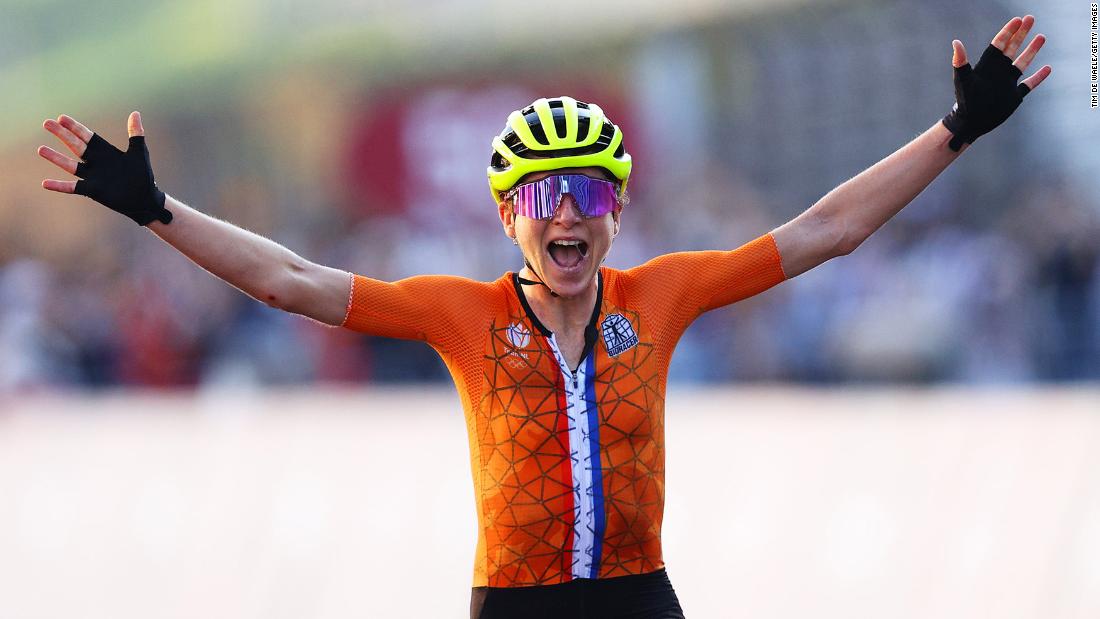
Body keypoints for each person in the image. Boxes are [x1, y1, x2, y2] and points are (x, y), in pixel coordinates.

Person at [36, 15, 1050, 619]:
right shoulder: (459, 313)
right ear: (508, 216)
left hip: (637, 593)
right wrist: (155, 212)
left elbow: (825, 227)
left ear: (614, 210)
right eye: (541, 196)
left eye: (590, 194)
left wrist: (953, 130)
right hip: (514, 606)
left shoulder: (664, 293)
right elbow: (291, 281)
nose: (567, 214)